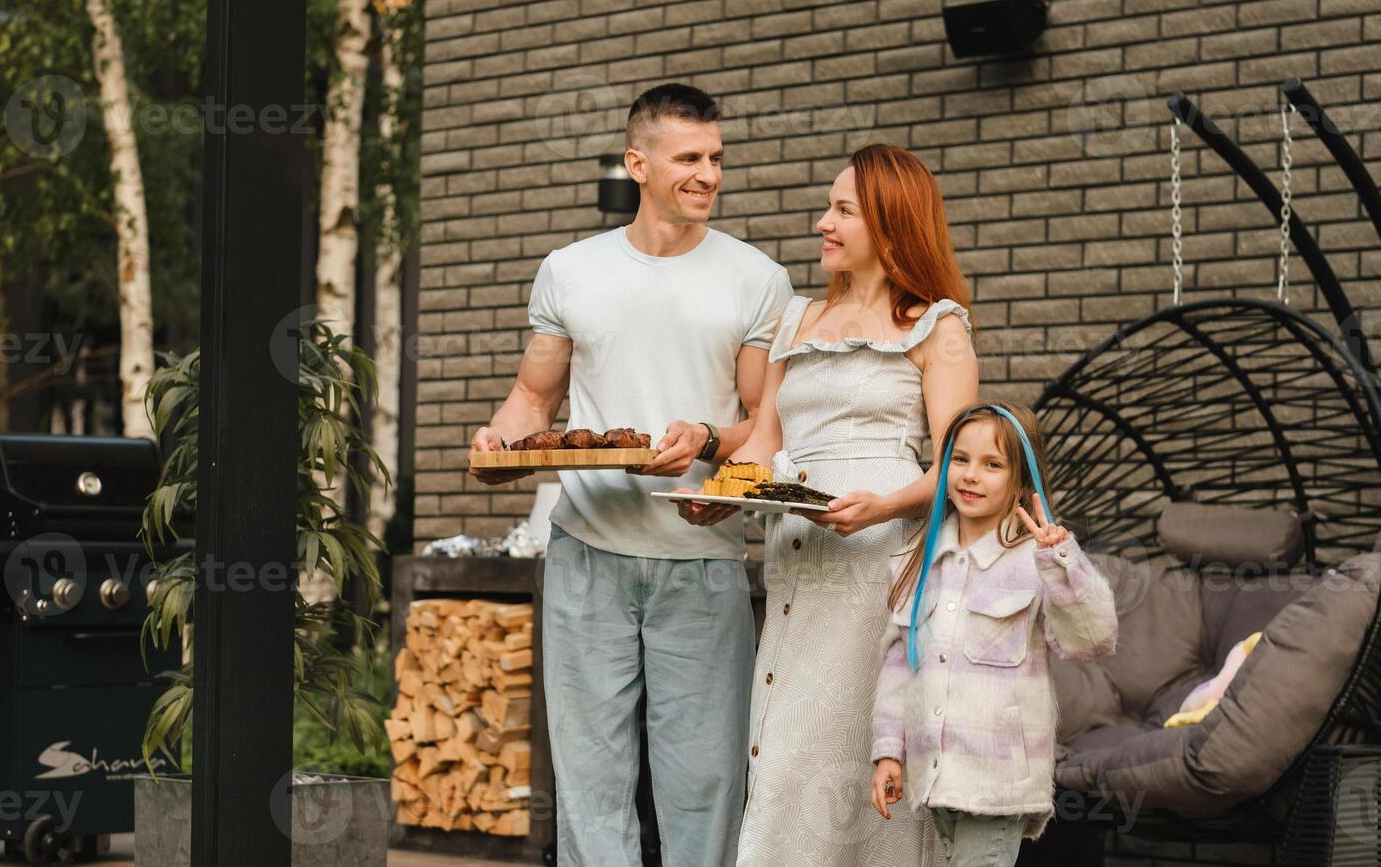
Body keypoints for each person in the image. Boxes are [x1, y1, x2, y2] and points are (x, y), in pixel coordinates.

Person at [469, 83, 794, 867]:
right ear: (637, 163)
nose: (708, 174)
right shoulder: (570, 271)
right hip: (585, 553)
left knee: (706, 781)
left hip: (704, 565)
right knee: (589, 782)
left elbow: (766, 427)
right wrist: (495, 445)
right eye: (689, 158)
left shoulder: (759, 280)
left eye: (716, 158)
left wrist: (716, 458)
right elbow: (533, 398)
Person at [680, 144, 979, 866]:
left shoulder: (937, 327)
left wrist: (880, 509)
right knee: (785, 753)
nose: (824, 222)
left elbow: (956, 470)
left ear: (888, 222)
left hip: (882, 573)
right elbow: (765, 442)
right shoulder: (798, 319)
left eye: (843, 210)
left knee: (864, 755)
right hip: (799, 567)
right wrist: (723, 491)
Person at [871, 402, 1118, 867]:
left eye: (992, 465)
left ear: (1023, 482)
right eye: (959, 460)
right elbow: (902, 662)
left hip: (997, 785)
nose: (970, 475)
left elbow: (1094, 640)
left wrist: (1062, 561)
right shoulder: (920, 560)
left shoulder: (1036, 562)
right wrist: (889, 751)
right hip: (937, 780)